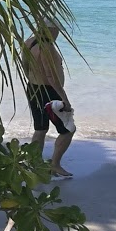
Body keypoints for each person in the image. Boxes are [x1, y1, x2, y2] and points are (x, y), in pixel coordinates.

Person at [23, 24, 75, 179]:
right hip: (49, 93)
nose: (58, 33)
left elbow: (24, 65)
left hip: (33, 88)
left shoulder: (29, 42)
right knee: (68, 129)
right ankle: (55, 165)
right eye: (57, 30)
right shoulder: (47, 49)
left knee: (40, 129)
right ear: (51, 30)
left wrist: (32, 80)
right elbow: (51, 76)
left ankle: (35, 163)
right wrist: (64, 97)